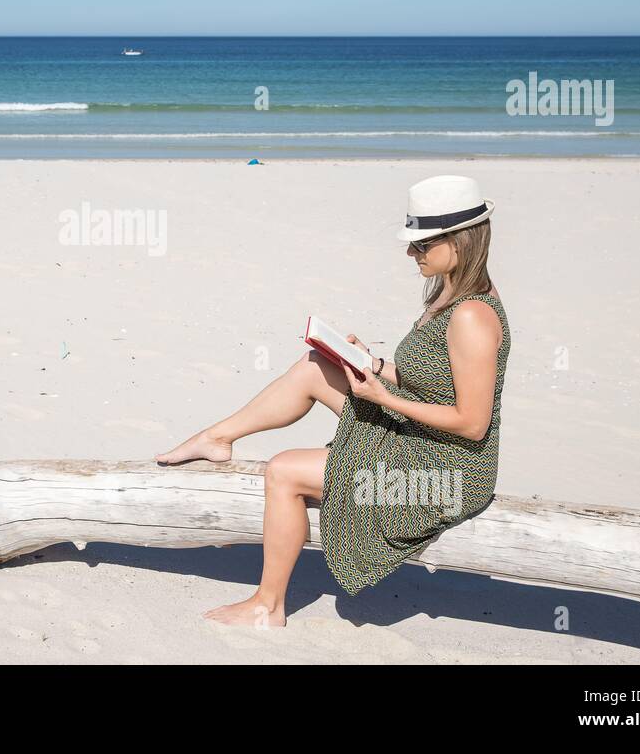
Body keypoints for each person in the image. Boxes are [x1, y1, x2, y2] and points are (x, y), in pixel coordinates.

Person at [155, 175, 510, 626]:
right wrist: (373, 364)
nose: (410, 253)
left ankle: (268, 605)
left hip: (447, 469)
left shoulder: (473, 315)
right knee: (314, 366)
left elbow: (472, 422)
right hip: (423, 436)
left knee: (283, 470)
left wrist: (384, 398)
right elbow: (438, 379)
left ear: (458, 242)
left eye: (421, 245)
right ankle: (215, 437)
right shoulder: (450, 294)